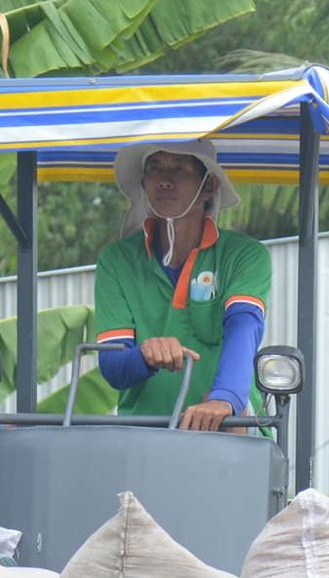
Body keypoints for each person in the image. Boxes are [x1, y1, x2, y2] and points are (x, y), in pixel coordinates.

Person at [93, 141, 269, 431]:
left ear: (209, 186)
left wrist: (224, 399)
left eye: (180, 169)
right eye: (155, 168)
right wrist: (144, 356)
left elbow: (244, 326)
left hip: (228, 427)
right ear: (143, 183)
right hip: (144, 438)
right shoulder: (117, 259)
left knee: (232, 428)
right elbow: (113, 368)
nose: (165, 180)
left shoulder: (245, 254)